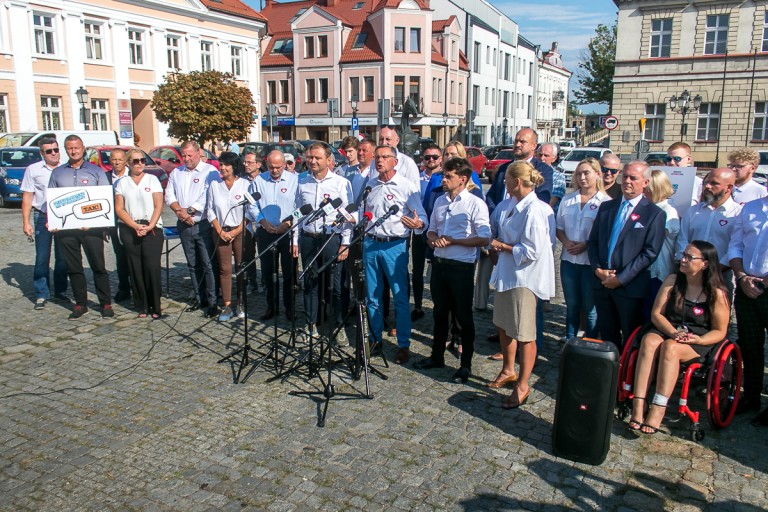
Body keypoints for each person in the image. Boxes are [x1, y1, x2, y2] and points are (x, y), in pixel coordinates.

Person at [629, 241, 729, 434]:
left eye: (689, 257)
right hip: (670, 328)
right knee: (649, 341)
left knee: (670, 348)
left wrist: (699, 340)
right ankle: (639, 403)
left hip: (698, 338)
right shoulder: (673, 280)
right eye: (684, 255)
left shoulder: (717, 293)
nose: (683, 260)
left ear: (705, 264)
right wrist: (673, 332)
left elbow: (720, 331)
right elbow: (656, 314)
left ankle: (658, 407)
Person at [414, 157, 491, 383]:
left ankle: (465, 365)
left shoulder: (475, 203)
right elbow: (432, 230)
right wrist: (433, 239)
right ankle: (436, 355)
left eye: (449, 176)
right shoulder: (440, 201)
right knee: (439, 313)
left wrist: (454, 241)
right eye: (444, 175)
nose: (444, 180)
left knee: (463, 316)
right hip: (440, 265)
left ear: (463, 179)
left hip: (461, 267)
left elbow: (484, 238)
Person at [487, 161, 555, 408]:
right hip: (507, 274)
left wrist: (502, 246)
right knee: (504, 325)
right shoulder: (511, 204)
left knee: (525, 333)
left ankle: (523, 384)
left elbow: (533, 250)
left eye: (506, 179)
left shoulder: (535, 209)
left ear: (516, 182)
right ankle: (508, 369)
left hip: (525, 278)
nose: (502, 183)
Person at [587, 161, 666, 351]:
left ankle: (627, 369)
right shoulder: (607, 207)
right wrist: (598, 270)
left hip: (630, 288)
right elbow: (594, 242)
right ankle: (610, 368)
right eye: (625, 176)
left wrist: (621, 279)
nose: (627, 181)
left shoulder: (654, 214)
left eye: (633, 178)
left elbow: (650, 253)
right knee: (608, 336)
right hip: (603, 283)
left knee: (631, 337)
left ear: (645, 182)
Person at [363, 144, 427, 364]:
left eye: (384, 157)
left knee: (399, 297)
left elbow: (422, 217)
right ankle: (375, 339)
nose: (379, 160)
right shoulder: (370, 185)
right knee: (372, 296)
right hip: (371, 244)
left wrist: (418, 223)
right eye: (377, 157)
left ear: (395, 162)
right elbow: (363, 213)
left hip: (394, 246)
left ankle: (403, 344)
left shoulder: (406, 186)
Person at [292, 143, 354, 341]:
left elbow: (349, 214)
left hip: (332, 239)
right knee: (310, 283)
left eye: (317, 158)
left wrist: (345, 242)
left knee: (336, 286)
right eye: (310, 157)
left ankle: (339, 326)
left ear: (328, 160)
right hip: (309, 238)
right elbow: (297, 213)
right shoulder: (302, 183)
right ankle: (311, 325)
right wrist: (295, 240)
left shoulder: (341, 183)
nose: (312, 161)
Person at [48, 135, 113, 319]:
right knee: (74, 267)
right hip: (67, 230)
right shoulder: (57, 173)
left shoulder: (96, 171)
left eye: (76, 147)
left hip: (92, 229)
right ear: (65, 150)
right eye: (70, 148)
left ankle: (105, 303)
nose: (73, 151)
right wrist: (53, 221)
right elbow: (52, 201)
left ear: (83, 148)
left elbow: (104, 199)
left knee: (98, 266)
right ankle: (80, 304)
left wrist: (100, 224)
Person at [165, 141, 221, 318]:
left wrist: (189, 211)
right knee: (193, 264)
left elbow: (208, 195)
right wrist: (179, 212)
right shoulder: (177, 172)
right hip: (183, 224)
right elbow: (169, 195)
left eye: (190, 155)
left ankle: (213, 301)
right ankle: (199, 297)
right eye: (184, 155)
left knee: (208, 264)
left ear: (198, 153)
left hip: (202, 223)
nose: (187, 159)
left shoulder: (210, 171)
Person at [556, 158, 608, 341]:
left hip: (589, 262)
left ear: (597, 174)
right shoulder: (568, 200)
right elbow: (559, 226)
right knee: (572, 305)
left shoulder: (605, 202)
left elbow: (604, 232)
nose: (582, 177)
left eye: (586, 173)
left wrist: (586, 244)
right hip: (569, 259)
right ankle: (570, 340)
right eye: (579, 174)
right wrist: (566, 242)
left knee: (590, 307)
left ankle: (590, 342)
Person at [728, 191, 768, 425]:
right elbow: (736, 246)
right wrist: (741, 276)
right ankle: (750, 396)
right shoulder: (751, 208)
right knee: (750, 345)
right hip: (747, 285)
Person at [113, 149, 165, 318]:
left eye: (142, 160)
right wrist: (134, 225)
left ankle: (155, 306)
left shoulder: (152, 179)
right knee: (135, 267)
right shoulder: (122, 183)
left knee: (152, 267)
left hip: (152, 227)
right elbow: (119, 209)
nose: (140, 164)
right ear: (128, 163)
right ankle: (141, 305)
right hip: (130, 227)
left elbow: (158, 205)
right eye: (135, 161)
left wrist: (150, 226)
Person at [675, 168, 741, 299]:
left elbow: (735, 246)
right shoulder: (693, 211)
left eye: (714, 183)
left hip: (720, 275)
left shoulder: (737, 214)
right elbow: (682, 239)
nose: (707, 186)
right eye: (706, 182)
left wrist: (715, 269)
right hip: (689, 274)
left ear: (728, 188)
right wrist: (688, 264)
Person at [250, 150, 298, 321]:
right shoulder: (259, 180)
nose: (275, 170)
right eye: (271, 167)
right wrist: (262, 221)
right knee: (268, 272)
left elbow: (300, 207)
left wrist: (289, 222)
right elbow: (251, 205)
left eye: (278, 167)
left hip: (287, 232)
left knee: (289, 273)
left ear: (284, 164)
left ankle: (290, 307)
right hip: (266, 232)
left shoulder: (295, 180)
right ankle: (272, 306)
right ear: (266, 164)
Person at [20, 136, 68, 309]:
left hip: (63, 216)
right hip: (42, 215)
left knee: (63, 257)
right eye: (49, 151)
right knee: (42, 257)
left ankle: (61, 291)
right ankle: (41, 293)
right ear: (42, 153)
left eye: (56, 149)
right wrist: (26, 222)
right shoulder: (33, 170)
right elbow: (27, 196)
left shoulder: (66, 168)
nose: (53, 153)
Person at [207, 152, 248, 321]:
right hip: (220, 232)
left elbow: (249, 212)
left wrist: (236, 231)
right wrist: (220, 231)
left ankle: (240, 302)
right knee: (225, 269)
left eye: (226, 165)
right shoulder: (215, 185)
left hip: (239, 231)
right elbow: (210, 210)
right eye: (221, 164)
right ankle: (227, 305)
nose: (222, 168)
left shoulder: (245, 184)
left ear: (234, 166)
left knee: (241, 267)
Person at [486, 128, 553, 212]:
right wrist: (496, 213)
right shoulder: (504, 168)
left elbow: (543, 198)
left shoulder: (543, 170)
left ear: (534, 146)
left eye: (522, 142)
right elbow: (491, 195)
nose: (517, 144)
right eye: (516, 141)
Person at [411, 143, 442, 320]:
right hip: (419, 231)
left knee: (437, 270)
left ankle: (439, 306)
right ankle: (417, 306)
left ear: (440, 158)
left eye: (434, 157)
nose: (431, 160)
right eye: (427, 157)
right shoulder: (416, 179)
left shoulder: (444, 178)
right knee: (417, 270)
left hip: (436, 231)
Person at [645, 170, 680, 311]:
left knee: (652, 311)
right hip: (642, 271)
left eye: (646, 188)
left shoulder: (668, 211)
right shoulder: (645, 208)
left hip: (658, 272)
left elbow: (655, 236)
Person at [107, 149, 132, 303]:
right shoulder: (104, 177)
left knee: (134, 256)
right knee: (120, 256)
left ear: (125, 161)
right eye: (114, 159)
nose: (117, 162)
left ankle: (138, 287)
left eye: (120, 159)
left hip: (133, 221)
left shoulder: (133, 175)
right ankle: (124, 288)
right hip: (114, 223)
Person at [241, 150, 262, 294]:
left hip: (262, 222)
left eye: (249, 162)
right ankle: (251, 282)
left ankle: (265, 283)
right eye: (245, 162)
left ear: (258, 164)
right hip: (247, 223)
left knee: (264, 255)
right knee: (247, 254)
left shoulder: (264, 180)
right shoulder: (242, 181)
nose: (246, 165)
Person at [538, 142, 566, 214]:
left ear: (554, 158)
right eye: (540, 155)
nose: (542, 158)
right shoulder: (529, 173)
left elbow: (551, 202)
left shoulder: (558, 176)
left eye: (546, 155)